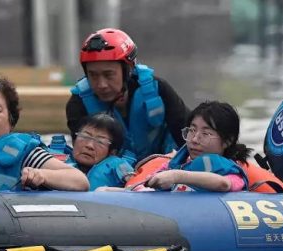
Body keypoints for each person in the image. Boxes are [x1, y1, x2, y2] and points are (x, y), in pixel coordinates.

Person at [66, 28, 191, 164]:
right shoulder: (78, 104)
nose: (101, 84)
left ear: (128, 71)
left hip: (163, 169)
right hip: (112, 174)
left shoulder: (159, 90)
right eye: (93, 75)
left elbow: (190, 137)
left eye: (109, 75)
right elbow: (83, 158)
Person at [142, 101, 283, 193]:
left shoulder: (232, 173)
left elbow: (223, 184)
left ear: (227, 141)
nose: (194, 139)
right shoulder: (176, 165)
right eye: (192, 130)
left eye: (205, 134)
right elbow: (143, 187)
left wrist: (177, 176)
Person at [66, 113, 135, 190]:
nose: (89, 145)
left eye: (100, 142)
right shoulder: (55, 160)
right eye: (85, 136)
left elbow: (138, 189)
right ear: (74, 140)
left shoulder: (121, 168)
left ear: (112, 152)